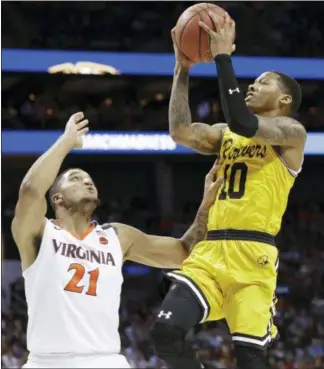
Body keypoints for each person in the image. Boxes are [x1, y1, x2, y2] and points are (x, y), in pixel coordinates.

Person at [151, 13, 306, 369]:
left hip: (254, 255)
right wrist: (182, 69)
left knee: (251, 359)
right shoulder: (225, 134)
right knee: (165, 333)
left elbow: (245, 122)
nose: (252, 87)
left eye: (262, 83)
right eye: (251, 83)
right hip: (210, 252)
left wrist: (223, 56)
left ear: (283, 99)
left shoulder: (291, 133)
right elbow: (180, 132)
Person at [11, 112, 224, 369]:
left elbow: (182, 252)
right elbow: (31, 190)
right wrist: (66, 141)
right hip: (47, 362)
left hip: (105, 360)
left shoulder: (117, 236)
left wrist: (206, 206)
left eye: (89, 180)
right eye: (76, 179)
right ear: (57, 199)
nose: (87, 182)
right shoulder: (39, 232)